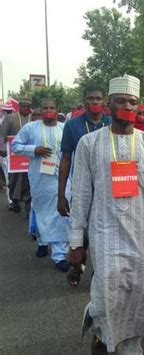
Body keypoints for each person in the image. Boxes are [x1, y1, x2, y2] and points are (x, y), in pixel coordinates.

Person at [69, 74, 144, 354]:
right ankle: (104, 336)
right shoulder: (89, 144)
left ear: (139, 106)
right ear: (108, 105)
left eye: (132, 102)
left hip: (142, 235)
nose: (127, 107)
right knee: (108, 295)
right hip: (104, 234)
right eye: (120, 102)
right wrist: (76, 243)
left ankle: (125, 345)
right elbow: (80, 195)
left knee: (139, 294)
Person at [12, 98, 71, 272]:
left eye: (52, 107)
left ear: (57, 109)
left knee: (62, 215)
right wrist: (33, 150)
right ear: (40, 110)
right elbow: (15, 145)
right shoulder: (31, 128)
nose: (48, 110)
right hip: (39, 178)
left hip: (62, 179)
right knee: (41, 211)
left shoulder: (64, 128)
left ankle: (59, 255)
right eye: (45, 108)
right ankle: (42, 241)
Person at [58, 84, 110, 218]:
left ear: (104, 102)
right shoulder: (72, 125)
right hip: (82, 185)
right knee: (82, 227)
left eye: (98, 99)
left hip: (108, 185)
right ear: (84, 101)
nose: (94, 102)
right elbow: (65, 159)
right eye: (90, 98)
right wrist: (61, 195)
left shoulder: (112, 123)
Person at [0, 97, 32, 213]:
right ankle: (15, 201)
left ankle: (28, 202)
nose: (26, 108)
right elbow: (2, 135)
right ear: (19, 107)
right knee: (14, 180)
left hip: (29, 156)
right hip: (13, 157)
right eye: (23, 106)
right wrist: (3, 149)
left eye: (28, 107)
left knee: (29, 179)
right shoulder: (10, 118)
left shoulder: (34, 119)